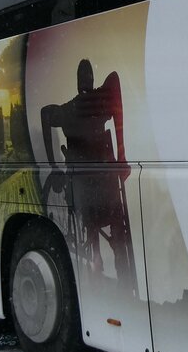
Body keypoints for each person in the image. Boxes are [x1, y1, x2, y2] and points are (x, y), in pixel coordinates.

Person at [41, 59, 135, 295]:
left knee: (93, 234)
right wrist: (121, 155)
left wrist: (54, 165)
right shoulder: (99, 102)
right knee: (117, 235)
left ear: (78, 82)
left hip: (86, 191)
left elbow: (45, 113)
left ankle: (99, 275)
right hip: (106, 186)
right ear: (91, 80)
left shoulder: (70, 109)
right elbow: (114, 80)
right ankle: (121, 280)